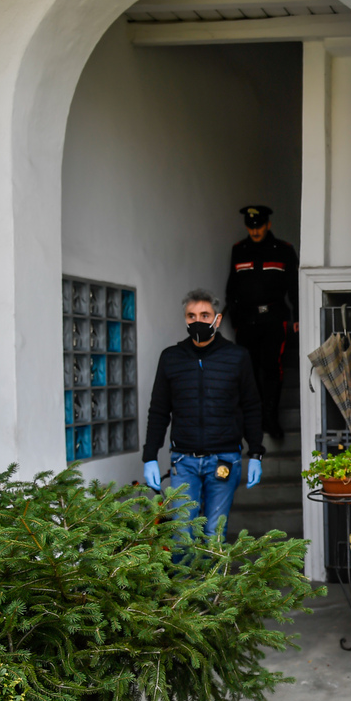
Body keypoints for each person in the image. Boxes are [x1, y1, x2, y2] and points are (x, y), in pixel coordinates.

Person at [142, 290, 264, 542]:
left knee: (213, 534)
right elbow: (159, 410)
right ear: (185, 320)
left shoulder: (237, 357)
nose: (197, 320)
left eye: (204, 315)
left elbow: (251, 406)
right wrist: (149, 456)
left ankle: (214, 583)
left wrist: (256, 453)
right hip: (183, 461)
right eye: (191, 315)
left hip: (224, 459)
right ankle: (185, 583)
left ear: (217, 320)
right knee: (181, 534)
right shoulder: (170, 358)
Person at [226, 205, 299, 439]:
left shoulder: (284, 250)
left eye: (258, 226)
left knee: (272, 367)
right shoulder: (239, 250)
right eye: (250, 226)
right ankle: (256, 417)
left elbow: (295, 286)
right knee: (248, 369)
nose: (254, 231)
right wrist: (235, 319)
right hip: (247, 320)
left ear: (268, 225)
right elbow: (232, 288)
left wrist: (298, 316)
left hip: (275, 318)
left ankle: (271, 416)